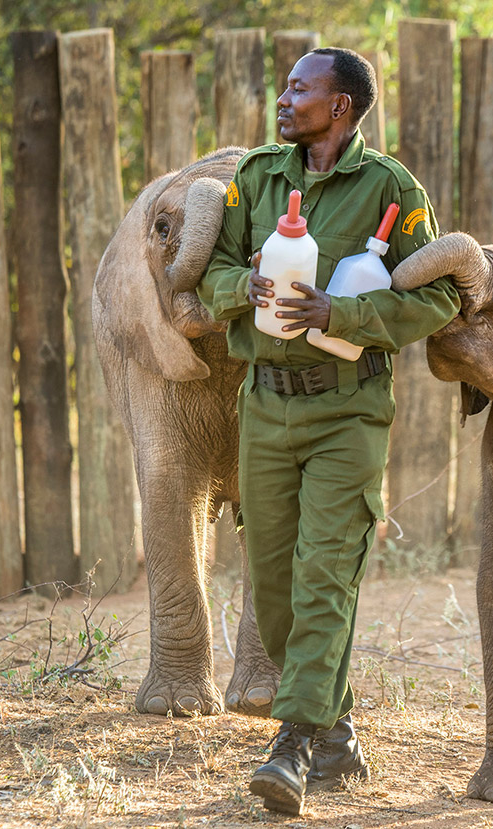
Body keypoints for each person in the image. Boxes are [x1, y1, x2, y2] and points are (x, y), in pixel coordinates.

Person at [197, 47, 460, 815]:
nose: (284, 97)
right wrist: (236, 286)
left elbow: (436, 298)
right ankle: (337, 727)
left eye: (300, 88)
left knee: (324, 573)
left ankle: (295, 742)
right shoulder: (257, 176)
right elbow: (211, 265)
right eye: (285, 85)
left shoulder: (392, 189)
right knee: (273, 587)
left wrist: (340, 315)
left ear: (341, 106)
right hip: (265, 402)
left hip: (348, 410)